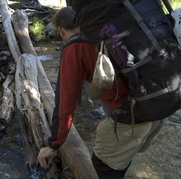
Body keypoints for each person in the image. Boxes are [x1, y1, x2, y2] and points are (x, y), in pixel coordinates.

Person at [37, 6, 166, 179]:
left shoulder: (74, 48)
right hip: (159, 103)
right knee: (119, 159)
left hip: (131, 116)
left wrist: (54, 144)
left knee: (103, 167)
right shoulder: (106, 34)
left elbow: (65, 102)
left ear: (60, 30)